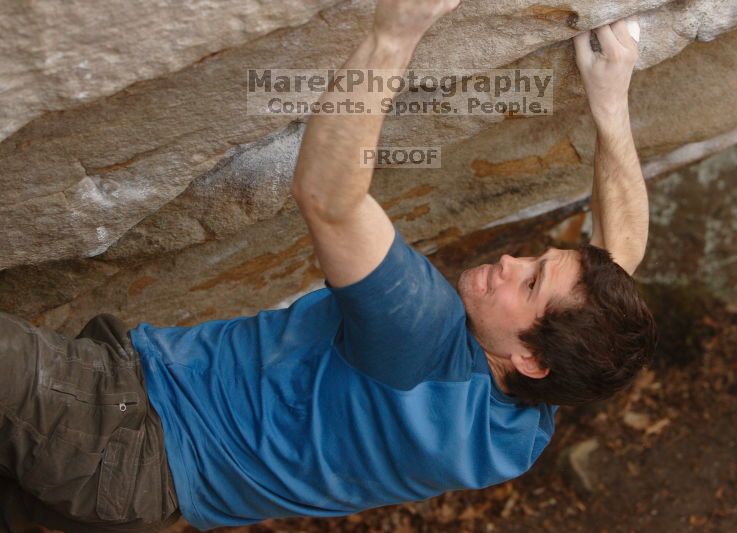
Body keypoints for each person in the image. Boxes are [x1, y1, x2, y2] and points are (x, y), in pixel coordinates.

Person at [0, 1, 656, 531]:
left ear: (532, 359)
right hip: (144, 499)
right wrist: (611, 102)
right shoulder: (519, 430)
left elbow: (328, 196)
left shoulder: (422, 335)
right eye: (536, 259)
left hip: (122, 424)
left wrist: (397, 31)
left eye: (530, 280)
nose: (510, 260)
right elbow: (619, 257)